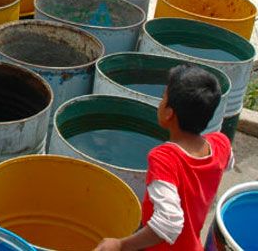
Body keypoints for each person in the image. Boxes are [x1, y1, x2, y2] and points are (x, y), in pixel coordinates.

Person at [94, 65, 233, 251]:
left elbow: (169, 222)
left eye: (163, 98)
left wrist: (121, 244)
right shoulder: (220, 143)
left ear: (169, 113)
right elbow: (229, 162)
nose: (160, 102)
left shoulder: (165, 158)